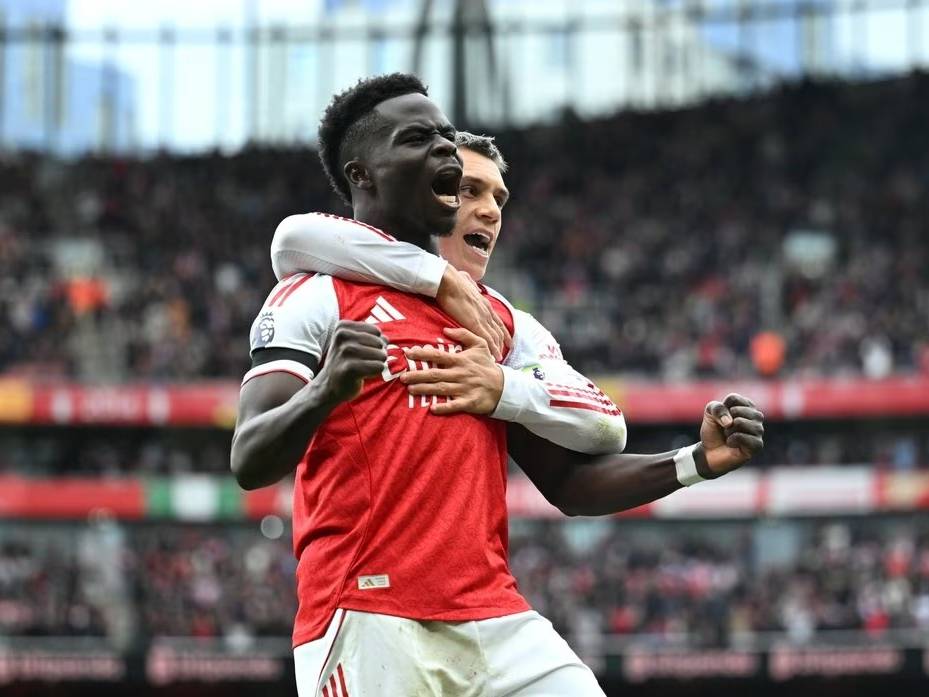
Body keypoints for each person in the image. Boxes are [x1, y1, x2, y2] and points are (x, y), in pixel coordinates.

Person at [231, 73, 764, 696]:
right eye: (419, 141)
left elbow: (568, 481)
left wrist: (695, 461)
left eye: (447, 139)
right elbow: (250, 458)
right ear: (363, 174)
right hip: (367, 613)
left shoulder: (499, 324)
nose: (446, 153)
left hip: (496, 620)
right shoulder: (315, 293)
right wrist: (326, 389)